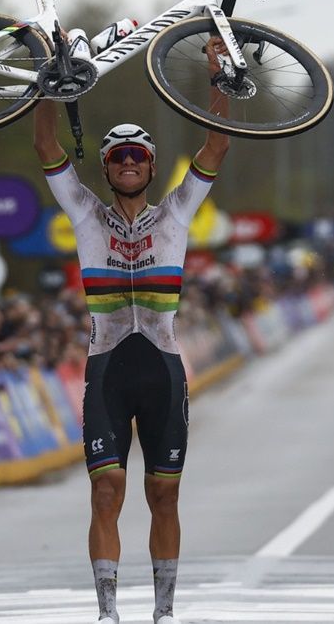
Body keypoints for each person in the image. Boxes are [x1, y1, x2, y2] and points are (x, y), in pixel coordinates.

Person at [33, 38, 230, 624]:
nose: (126, 162)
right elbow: (45, 142)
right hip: (108, 370)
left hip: (163, 368)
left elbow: (216, 143)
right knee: (106, 490)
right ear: (106, 165)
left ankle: (165, 612)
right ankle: (108, 612)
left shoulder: (176, 213)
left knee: (163, 494)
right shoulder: (83, 213)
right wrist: (50, 79)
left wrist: (221, 73)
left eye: (136, 157)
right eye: (117, 156)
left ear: (148, 166)